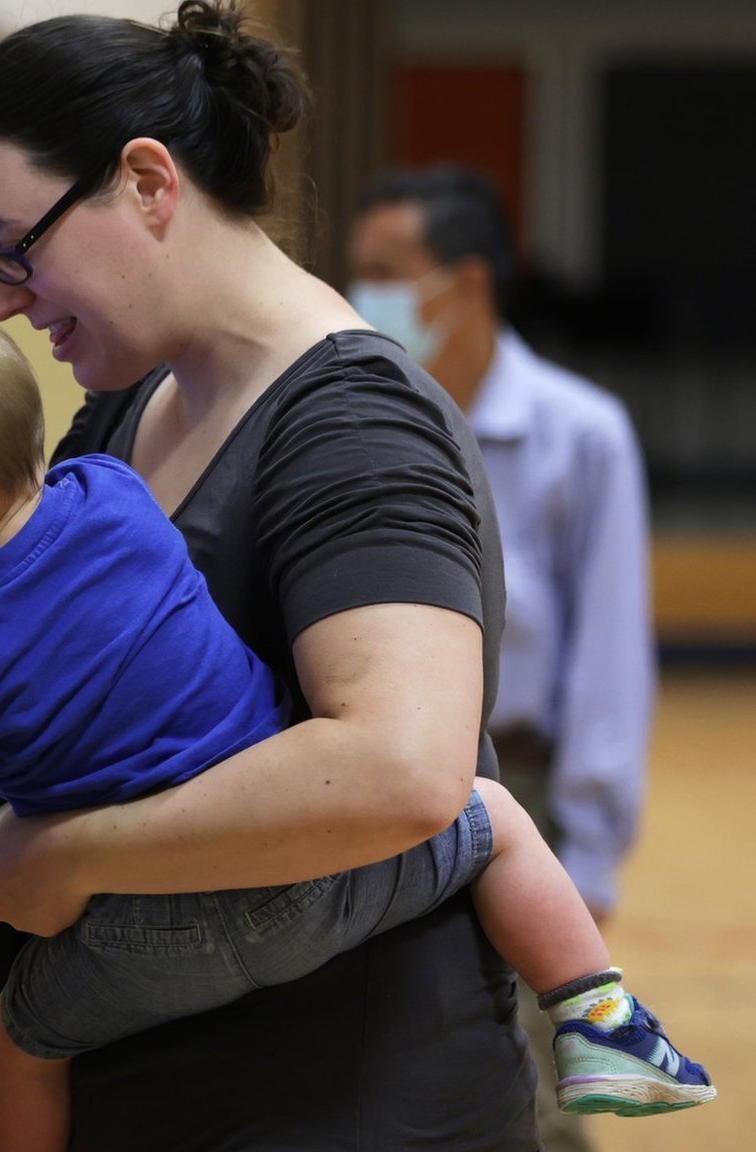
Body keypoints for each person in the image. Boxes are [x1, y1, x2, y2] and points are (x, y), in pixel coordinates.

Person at [0, 4, 534, 1146]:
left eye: (16, 247)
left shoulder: (351, 425)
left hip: (336, 1105)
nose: (2, 301)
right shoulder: (125, 410)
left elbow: (400, 769)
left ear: (145, 183)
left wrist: (66, 852)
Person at [0, 299, 709, 1150]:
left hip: (162, 920)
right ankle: (598, 1016)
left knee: (28, 1024)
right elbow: (23, 549)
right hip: (316, 859)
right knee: (492, 817)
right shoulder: (107, 494)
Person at [348, 165, 660, 1152]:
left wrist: (593, 850)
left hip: (518, 795)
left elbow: (608, 656)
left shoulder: (578, 435)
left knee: (535, 1084)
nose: (366, 299)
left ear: (465, 282)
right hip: (370, 788)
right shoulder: (354, 421)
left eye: (385, 272)